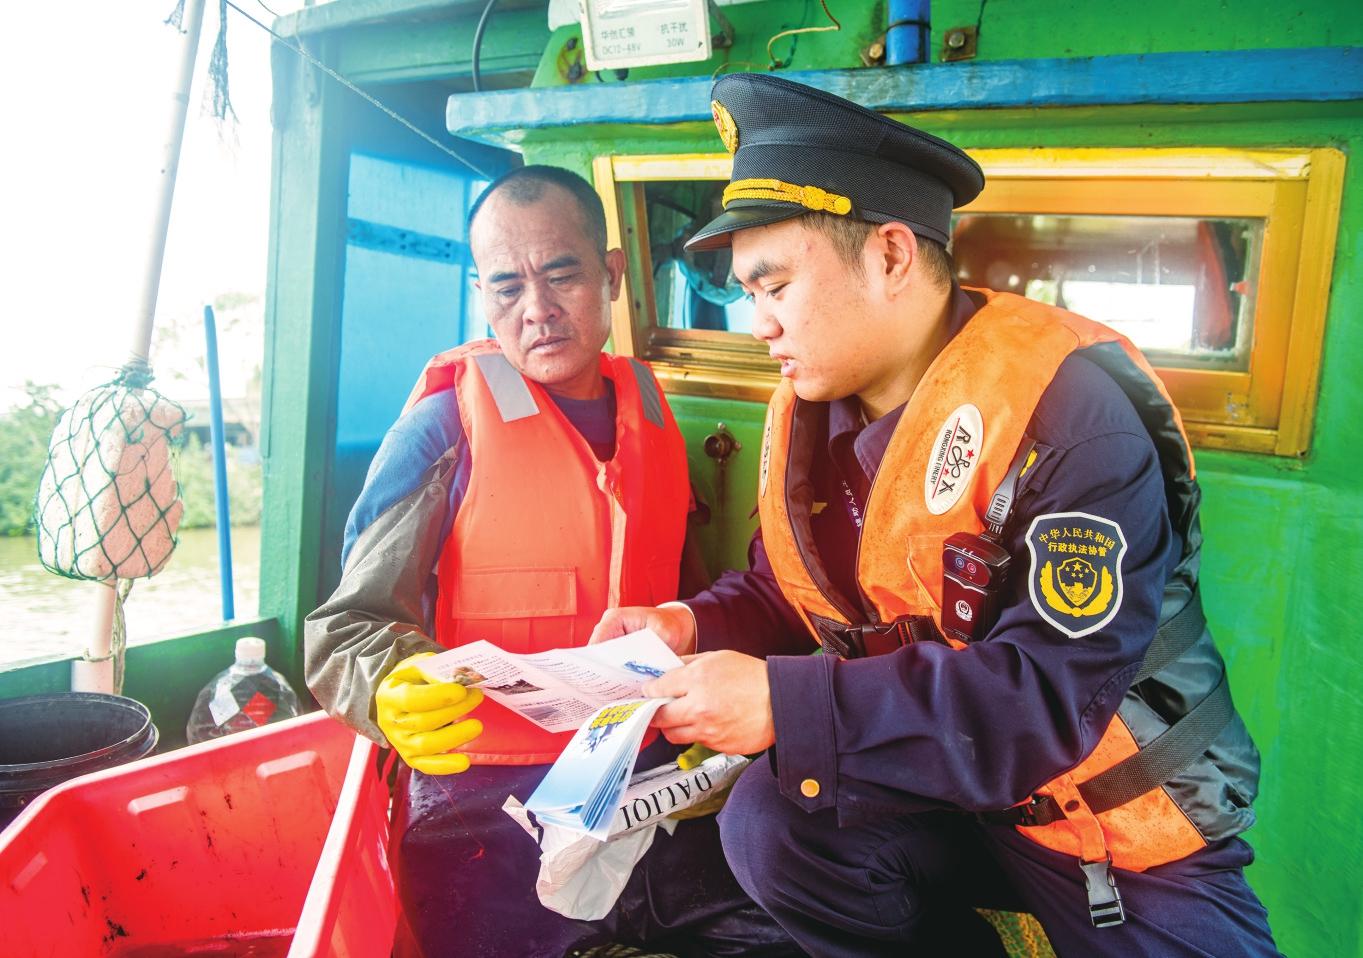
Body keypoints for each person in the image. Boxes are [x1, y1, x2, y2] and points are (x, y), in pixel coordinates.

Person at [591, 74, 1281, 957]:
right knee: (773, 820)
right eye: (746, 295)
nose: (759, 324)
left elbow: (1047, 698)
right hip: (940, 787)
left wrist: (782, 702)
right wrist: (687, 625)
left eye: (776, 286)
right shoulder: (812, 414)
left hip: (1106, 820)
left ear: (889, 256)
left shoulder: (1068, 417)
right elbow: (786, 591)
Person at [304, 165, 796, 958]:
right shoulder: (441, 429)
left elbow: (687, 594)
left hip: (642, 766)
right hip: (482, 797)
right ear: (481, 296)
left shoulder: (651, 415)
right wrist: (388, 687)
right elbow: (345, 629)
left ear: (610, 274)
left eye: (561, 275)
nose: (535, 309)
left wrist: (708, 701)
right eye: (506, 287)